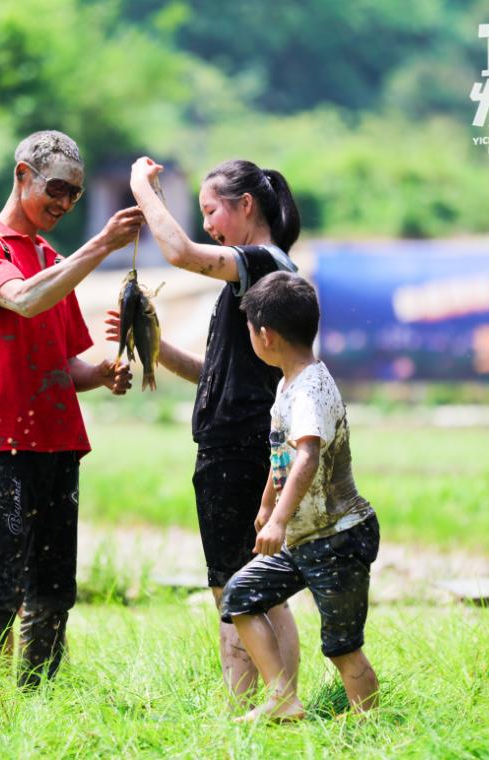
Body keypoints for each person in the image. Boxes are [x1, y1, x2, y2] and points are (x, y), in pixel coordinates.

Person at [0, 129, 141, 693]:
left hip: (58, 439)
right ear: (22, 174)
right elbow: (26, 300)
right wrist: (100, 245)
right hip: (2, 438)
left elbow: (64, 363)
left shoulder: (53, 257)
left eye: (75, 195)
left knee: (55, 588)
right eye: (56, 188)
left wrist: (101, 373)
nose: (64, 202)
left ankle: (40, 698)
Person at [116, 156, 302, 707]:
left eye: (211, 210)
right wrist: (152, 344)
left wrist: (142, 191)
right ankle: (270, 700)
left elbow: (181, 255)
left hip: (238, 451)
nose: (207, 224)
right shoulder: (256, 279)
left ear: (247, 206)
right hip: (241, 444)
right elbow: (215, 377)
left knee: (233, 585)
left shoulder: (262, 262)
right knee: (258, 588)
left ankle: (270, 702)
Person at [223, 271, 380, 722]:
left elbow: (307, 456)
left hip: (338, 537)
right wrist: (266, 507)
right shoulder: (287, 382)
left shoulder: (310, 388)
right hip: (303, 538)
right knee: (241, 598)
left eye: (250, 329)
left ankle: (372, 730)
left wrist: (276, 522)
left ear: (265, 336)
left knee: (342, 649)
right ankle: (282, 698)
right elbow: (283, 457)